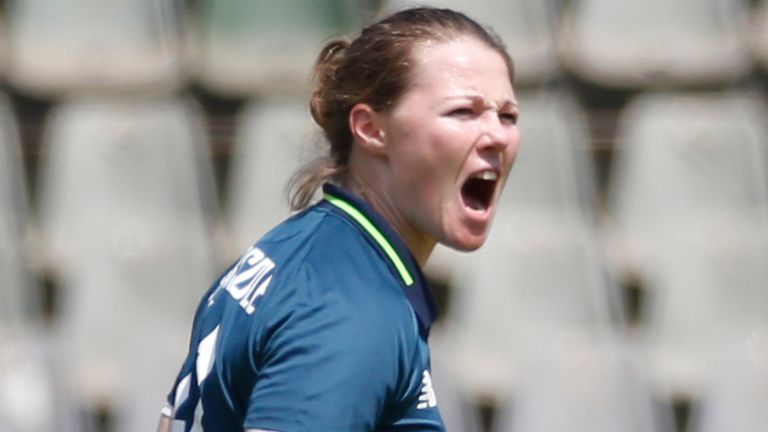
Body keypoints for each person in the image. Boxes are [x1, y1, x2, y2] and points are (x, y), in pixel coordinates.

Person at [158, 6, 519, 431]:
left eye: (508, 115)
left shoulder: (292, 251)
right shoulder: (349, 311)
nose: (497, 134)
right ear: (370, 128)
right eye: (463, 111)